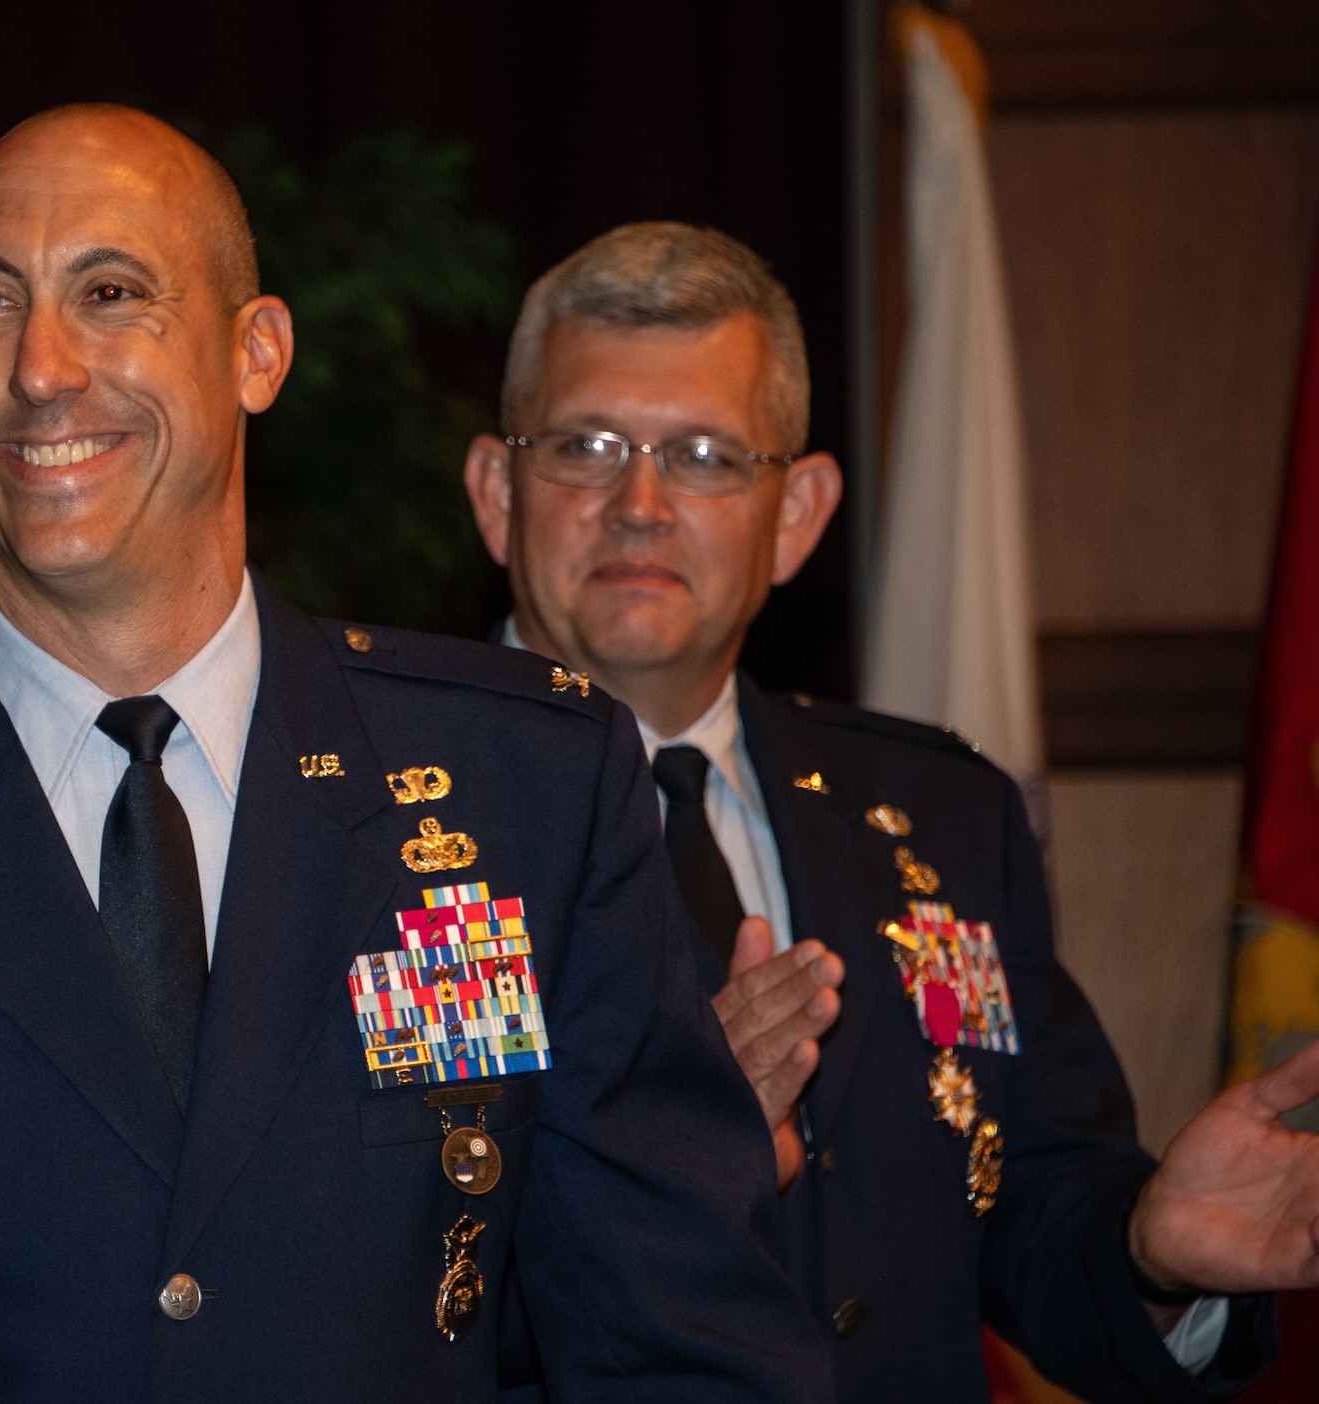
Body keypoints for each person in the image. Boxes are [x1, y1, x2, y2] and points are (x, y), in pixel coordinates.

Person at [0, 111, 831, 1401]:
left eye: (111, 292)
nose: (41, 366)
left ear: (255, 351)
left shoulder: (528, 791)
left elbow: (689, 1357)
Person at [463, 222, 1319, 1403]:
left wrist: (1144, 1251)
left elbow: (1028, 1200)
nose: (640, 503)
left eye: (707, 454)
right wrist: (666, 1159)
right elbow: (326, 1295)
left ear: (799, 513)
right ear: (498, 493)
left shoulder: (936, 819)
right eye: (586, 445)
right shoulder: (367, 822)